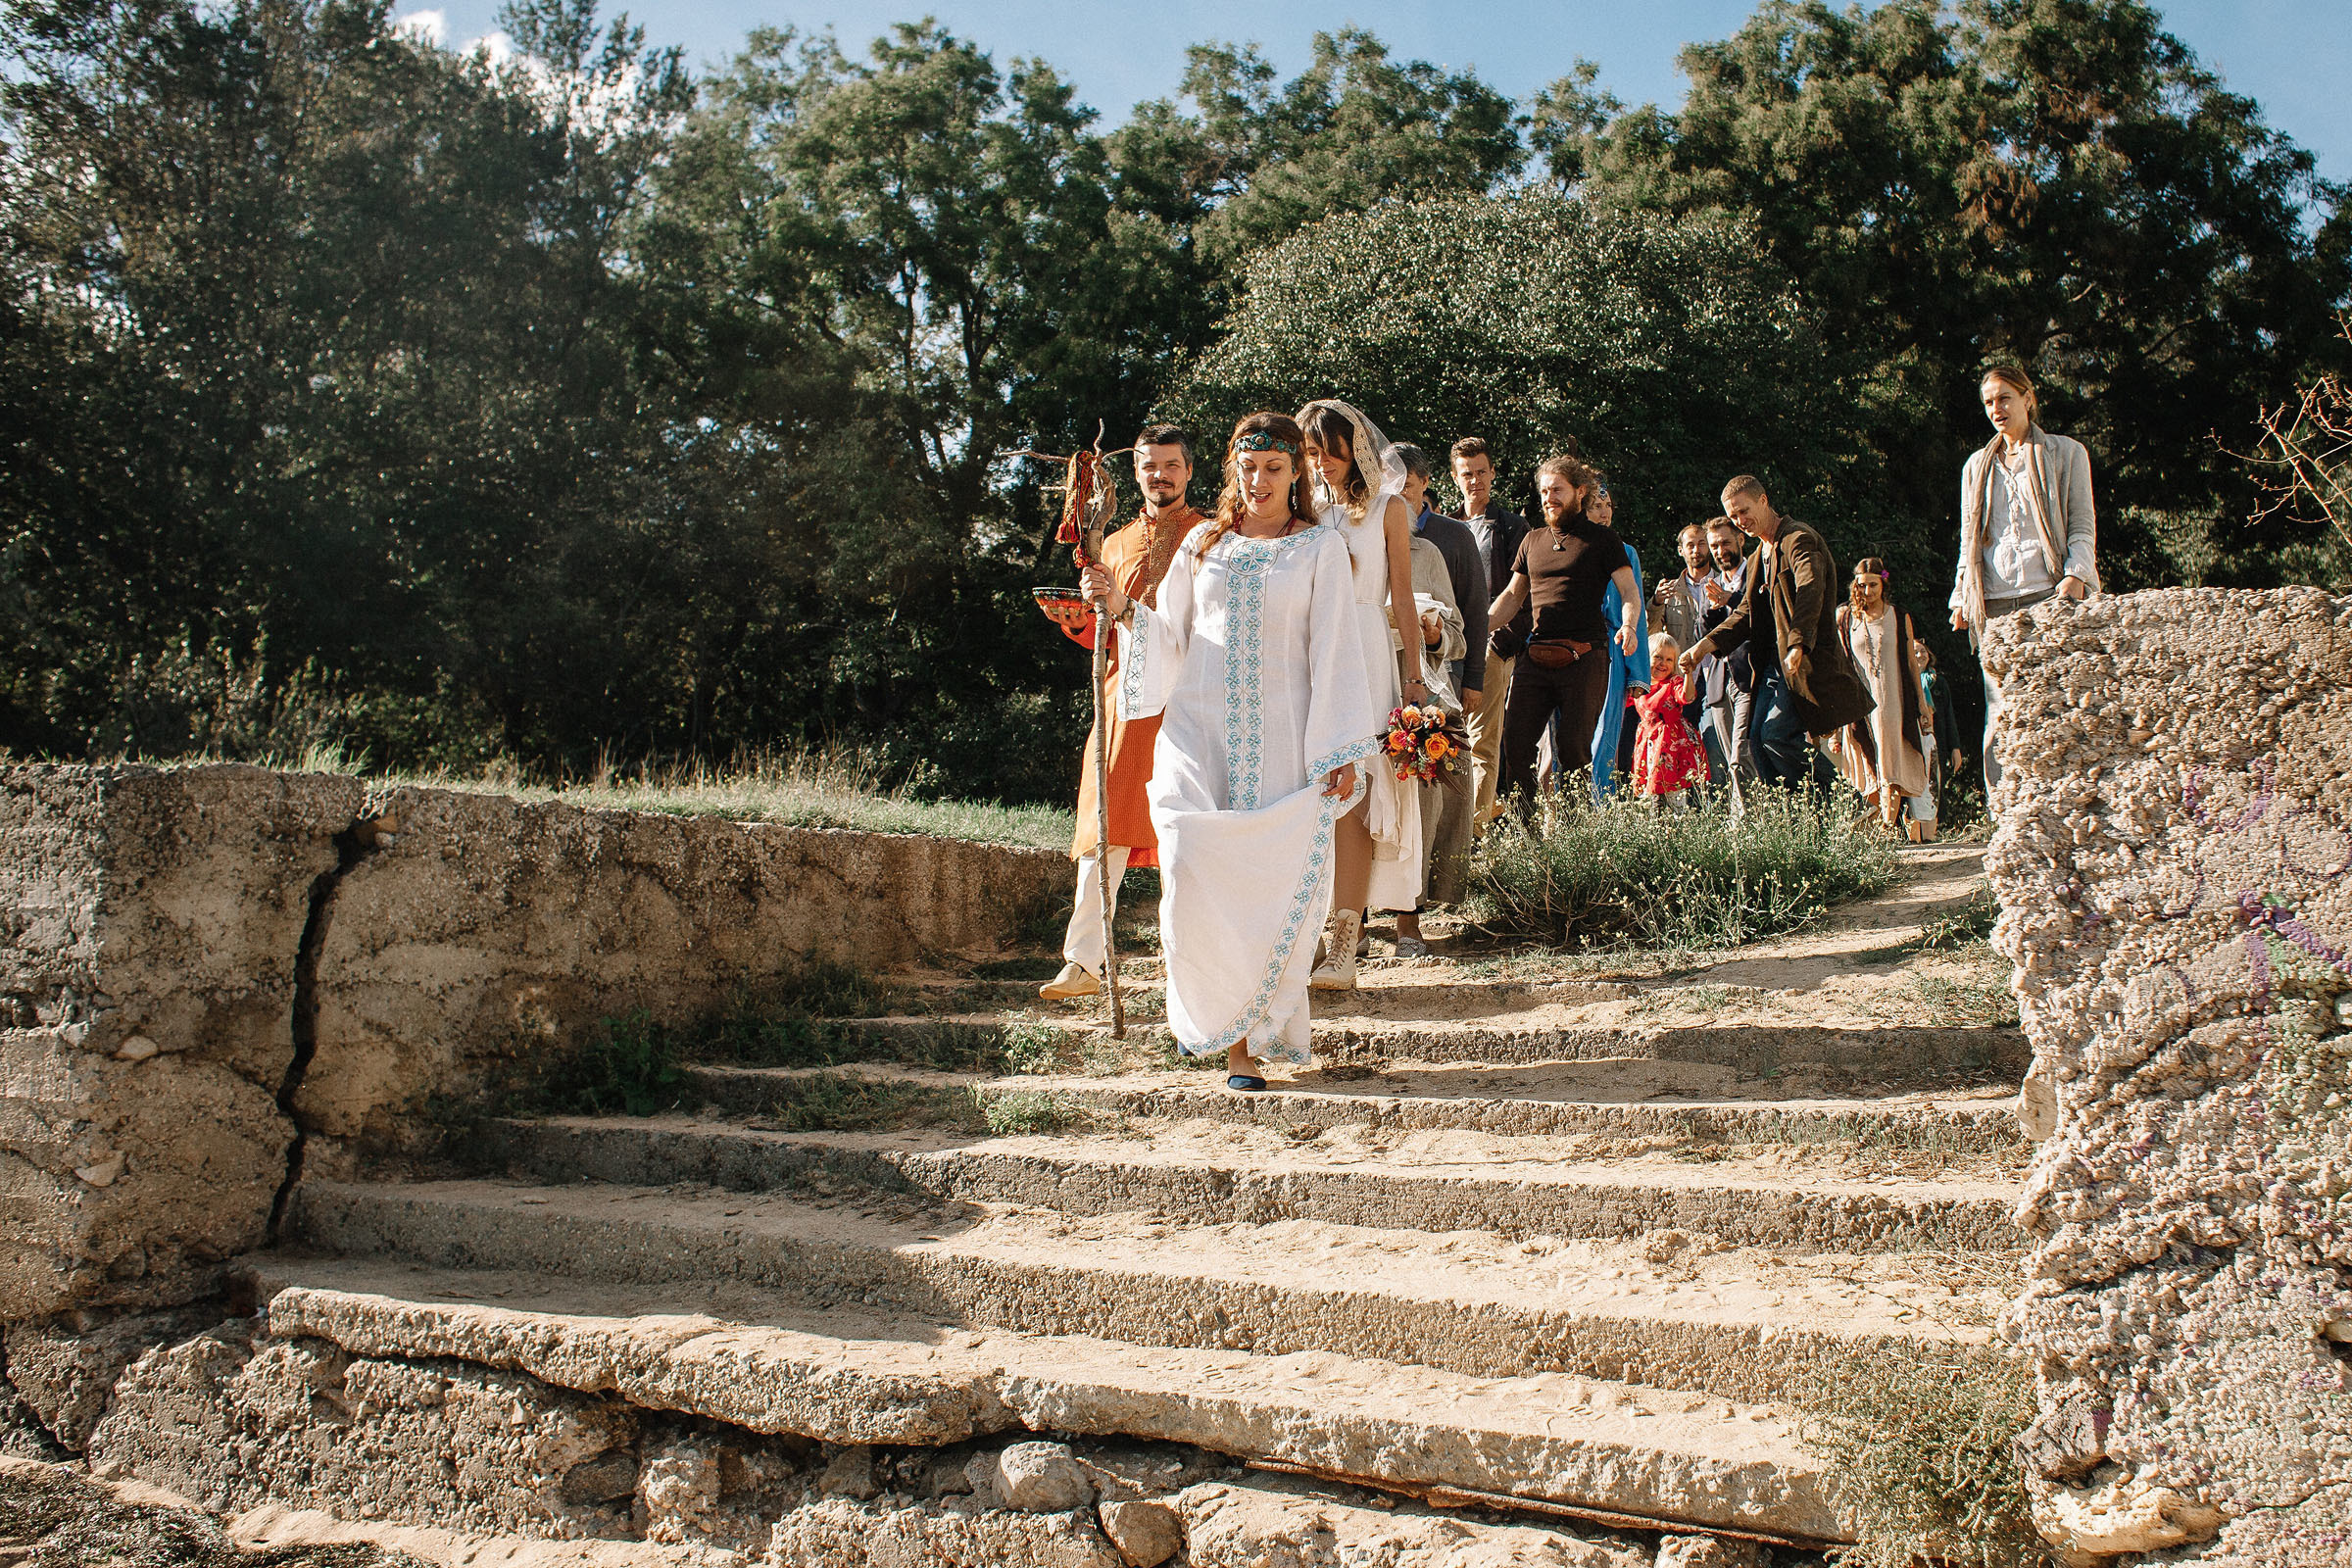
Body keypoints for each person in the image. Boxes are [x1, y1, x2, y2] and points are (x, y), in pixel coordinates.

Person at [1082, 412, 1377, 1090]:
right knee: (1189, 861)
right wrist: (1122, 607)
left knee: (1262, 890)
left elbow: (1335, 650)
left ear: (1297, 472)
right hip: (1198, 734)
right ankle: (1215, 1023)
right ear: (1230, 471)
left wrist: (1340, 747)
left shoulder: (1320, 549)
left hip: (1284, 742)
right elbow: (1171, 637)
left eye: (1274, 468)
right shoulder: (1202, 545)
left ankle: (1245, 1044)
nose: (1259, 481)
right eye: (1247, 468)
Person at [1037, 425, 1202, 1002]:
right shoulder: (1113, 542)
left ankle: (1190, 964)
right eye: (1149, 465)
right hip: (1124, 700)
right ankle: (1084, 961)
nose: (1161, 475)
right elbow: (1101, 635)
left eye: (1171, 465)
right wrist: (1078, 620)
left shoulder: (1212, 538)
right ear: (1135, 472)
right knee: (1102, 820)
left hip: (1189, 700)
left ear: (1189, 470)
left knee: (1190, 829)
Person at [1298, 399, 1426, 990]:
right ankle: (1306, 936)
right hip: (1307, 654)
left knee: (1355, 791)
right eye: (1312, 452)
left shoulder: (1387, 508)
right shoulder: (1300, 513)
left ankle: (1345, 944)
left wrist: (1414, 678)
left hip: (1368, 650)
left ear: (1356, 450)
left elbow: (1403, 597)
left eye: (1332, 450)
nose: (1322, 462)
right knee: (1307, 792)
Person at [1949, 365, 2097, 791]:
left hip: (2049, 596)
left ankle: (2058, 801)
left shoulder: (2066, 453)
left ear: (2027, 398)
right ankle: (2004, 810)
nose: (1996, 408)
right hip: (1994, 603)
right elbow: (1970, 540)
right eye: (1988, 402)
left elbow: (2082, 525)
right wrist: (1962, 596)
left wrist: (2075, 575)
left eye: (2004, 398)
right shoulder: (1976, 466)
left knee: (2055, 706)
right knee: (2000, 710)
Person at [1680, 475, 1875, 791]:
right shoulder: (1760, 555)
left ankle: (1845, 801)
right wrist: (1703, 646)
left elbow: (1810, 589)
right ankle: (1797, 813)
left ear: (1763, 500)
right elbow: (1745, 613)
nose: (1740, 521)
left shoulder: (1799, 539)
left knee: (1776, 735)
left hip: (1802, 661)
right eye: (1733, 516)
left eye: (1744, 511)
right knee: (1758, 742)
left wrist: (1798, 643)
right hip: (1771, 668)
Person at [1486, 455, 1641, 814]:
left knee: (1573, 749)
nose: (1548, 498)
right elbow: (1511, 597)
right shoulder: (1532, 541)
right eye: (1544, 491)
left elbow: (1629, 592)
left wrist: (1629, 626)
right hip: (1536, 657)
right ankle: (1528, 833)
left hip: (1585, 657)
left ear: (1579, 491)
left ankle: (1575, 835)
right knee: (1516, 744)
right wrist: (1473, 627)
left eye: (1557, 490)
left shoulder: (1604, 540)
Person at [1392, 445, 1472, 956]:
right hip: (1364, 680)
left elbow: (1459, 634)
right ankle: (1359, 920)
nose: (1398, 497)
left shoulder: (1429, 554)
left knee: (1436, 784)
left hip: (1421, 684)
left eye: (1406, 487)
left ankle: (1414, 912)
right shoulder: (1345, 548)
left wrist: (1436, 633)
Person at [1449, 437, 1529, 825]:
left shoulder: (1512, 526)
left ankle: (1476, 832)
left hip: (1491, 644)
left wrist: (1493, 640)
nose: (1475, 480)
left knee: (1481, 741)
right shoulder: (1446, 526)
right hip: (1446, 645)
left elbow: (1521, 593)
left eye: (1482, 472)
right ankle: (1452, 827)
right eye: (1467, 474)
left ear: (1493, 473)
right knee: (1449, 737)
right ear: (1455, 478)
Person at [1829, 559, 1931, 835]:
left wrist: (1922, 705)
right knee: (1865, 763)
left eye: (1873, 585)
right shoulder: (1846, 618)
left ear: (1883, 583)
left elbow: (1911, 664)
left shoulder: (1898, 616)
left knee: (1890, 761)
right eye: (1862, 585)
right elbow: (1839, 663)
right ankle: (1881, 822)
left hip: (1891, 700)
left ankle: (1888, 825)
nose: (1868, 591)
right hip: (1859, 701)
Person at [1582, 478, 1647, 801]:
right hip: (1573, 648)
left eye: (1608, 506)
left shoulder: (1626, 552)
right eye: (1597, 506)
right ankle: (1569, 808)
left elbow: (1636, 610)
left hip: (1612, 647)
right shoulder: (1567, 545)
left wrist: (1637, 671)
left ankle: (1599, 806)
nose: (1604, 513)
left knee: (1606, 731)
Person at [1699, 516, 1755, 796]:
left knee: (1741, 757)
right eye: (1714, 546)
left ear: (1740, 540)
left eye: (1725, 543)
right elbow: (1703, 635)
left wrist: (1730, 599)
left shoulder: (1755, 573)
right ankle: (1743, 815)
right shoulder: (1711, 583)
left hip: (1749, 678)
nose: (1720, 551)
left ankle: (1748, 817)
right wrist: (1711, 609)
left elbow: (1759, 617)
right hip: (1719, 683)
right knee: (1728, 761)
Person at [1632, 633, 1705, 806]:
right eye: (1658, 657)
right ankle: (1653, 818)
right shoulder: (1640, 684)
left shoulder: (1674, 682)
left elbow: (1687, 697)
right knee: (1650, 792)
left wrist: (1688, 675)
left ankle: (1677, 818)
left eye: (1669, 659)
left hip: (1671, 744)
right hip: (1648, 742)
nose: (1663, 663)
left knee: (1673, 791)